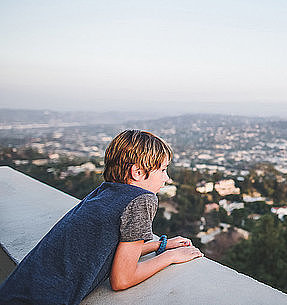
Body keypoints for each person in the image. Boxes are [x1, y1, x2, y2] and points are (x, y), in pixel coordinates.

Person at [0, 130, 203, 305]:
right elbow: (122, 279)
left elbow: (106, 249)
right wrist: (171, 257)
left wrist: (160, 245)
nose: (166, 178)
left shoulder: (105, 191)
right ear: (138, 172)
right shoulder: (142, 200)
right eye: (162, 170)